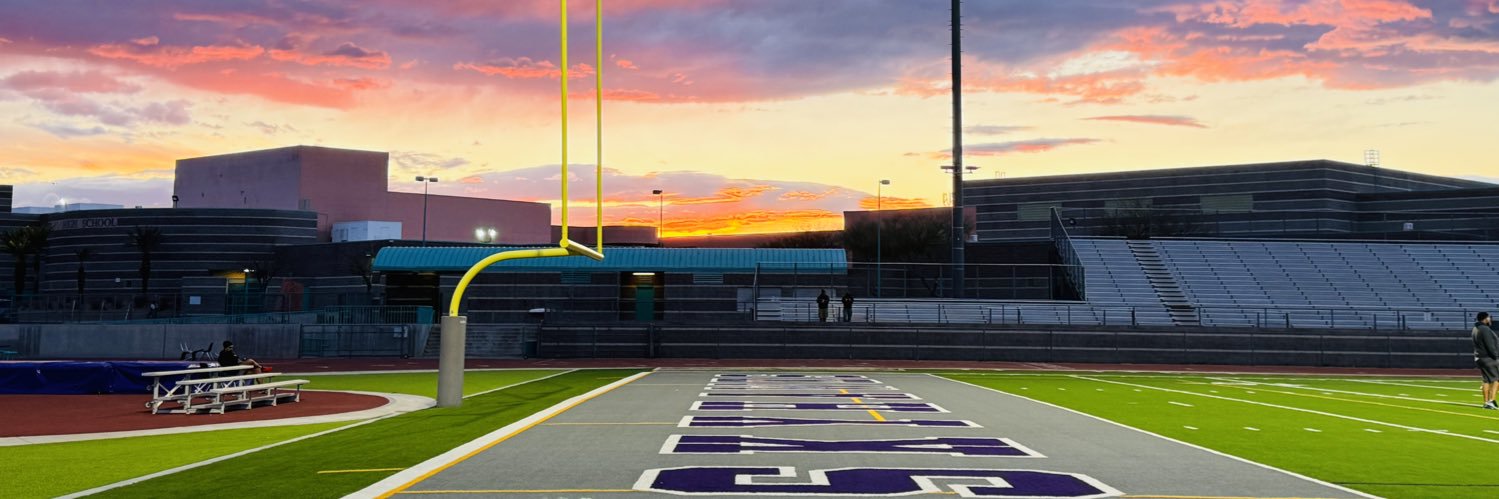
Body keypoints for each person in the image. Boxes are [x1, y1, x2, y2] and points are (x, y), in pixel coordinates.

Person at [1473, 312, 1498, 409]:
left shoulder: (1475, 328)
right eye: (1489, 318)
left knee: (1486, 380)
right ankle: (1492, 401)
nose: (1490, 319)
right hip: (1488, 357)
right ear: (1485, 319)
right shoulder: (1485, 329)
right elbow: (1490, 345)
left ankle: (1486, 402)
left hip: (1480, 357)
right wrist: (1495, 356)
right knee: (1496, 379)